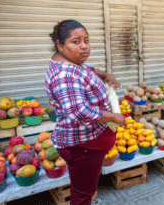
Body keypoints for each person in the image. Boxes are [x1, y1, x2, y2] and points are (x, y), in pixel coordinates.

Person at [45, 20, 126, 205]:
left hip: (88, 143)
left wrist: (105, 75)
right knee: (82, 195)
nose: (84, 47)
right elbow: (79, 112)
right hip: (81, 147)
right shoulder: (64, 75)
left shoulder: (72, 62)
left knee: (85, 190)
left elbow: (87, 70)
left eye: (86, 40)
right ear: (60, 44)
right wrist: (114, 117)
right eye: (76, 42)